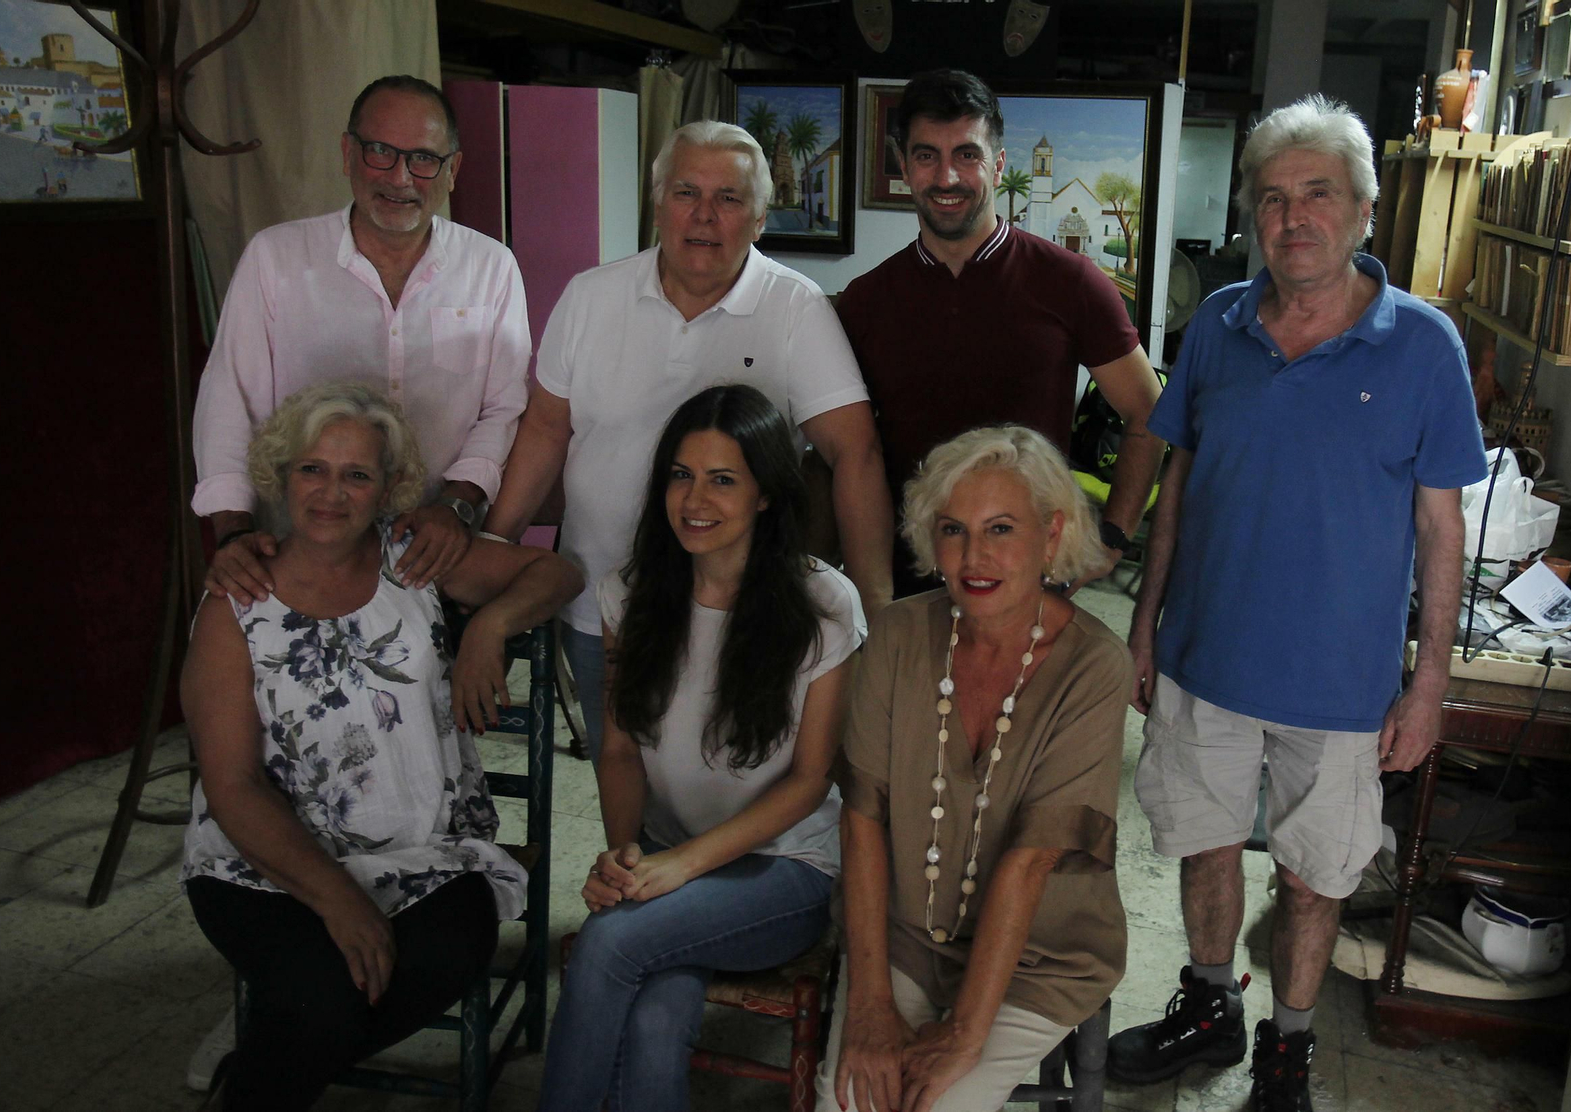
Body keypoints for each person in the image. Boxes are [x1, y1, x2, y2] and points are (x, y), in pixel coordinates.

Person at [1108, 95, 1487, 1112]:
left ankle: (1287, 1047)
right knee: (1199, 841)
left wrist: (1432, 679)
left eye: (1317, 193)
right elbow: (1181, 480)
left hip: (1341, 682)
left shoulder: (1424, 346)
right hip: (1203, 658)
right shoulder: (1221, 326)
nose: (1292, 217)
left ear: (1363, 210)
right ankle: (1207, 1003)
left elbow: (1440, 528)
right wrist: (1144, 621)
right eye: (1272, 198)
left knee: (1316, 876)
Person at [180, 381, 581, 1111]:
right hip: (260, 861)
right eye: (313, 470)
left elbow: (558, 571)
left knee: (440, 954)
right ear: (282, 475)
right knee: (322, 996)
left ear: (389, 488)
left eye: (356, 474)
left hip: (425, 851)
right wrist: (338, 899)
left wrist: (488, 627)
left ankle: (255, 1074)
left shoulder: (414, 559)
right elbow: (233, 785)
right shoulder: (235, 601)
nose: (331, 493)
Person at [484, 120, 893, 768]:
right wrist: (495, 546)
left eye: (729, 199)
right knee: (624, 778)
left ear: (759, 218)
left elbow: (856, 453)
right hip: (600, 601)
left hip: (740, 617)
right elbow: (544, 428)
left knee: (735, 788)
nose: (704, 216)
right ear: (658, 205)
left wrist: (877, 615)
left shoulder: (794, 306)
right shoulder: (590, 298)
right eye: (685, 193)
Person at [535, 384, 864, 1111]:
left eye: (723, 479)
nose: (694, 499)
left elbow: (810, 782)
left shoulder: (824, 604)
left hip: (784, 868)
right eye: (681, 475)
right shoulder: (632, 591)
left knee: (611, 945)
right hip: (665, 852)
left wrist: (675, 868)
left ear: (767, 495)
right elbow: (619, 751)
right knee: (654, 1021)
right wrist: (625, 856)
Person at [820, 425, 1131, 1112]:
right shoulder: (898, 636)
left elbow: (1031, 862)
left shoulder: (1094, 668)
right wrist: (871, 1009)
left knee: (933, 1106)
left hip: (1038, 961)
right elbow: (862, 823)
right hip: (905, 936)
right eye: (953, 530)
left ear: (1051, 536)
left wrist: (965, 1033)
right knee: (851, 1102)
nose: (974, 557)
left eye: (1001, 529)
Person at [193, 74, 532, 607]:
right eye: (380, 152)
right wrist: (233, 531)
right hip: (301, 549)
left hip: (433, 551)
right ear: (347, 153)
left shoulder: (491, 268)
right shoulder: (277, 257)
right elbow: (229, 398)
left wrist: (457, 505)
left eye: (423, 158)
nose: (400, 177)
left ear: (453, 170)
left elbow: (503, 407)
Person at [836, 69, 1164, 598]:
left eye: (967, 154)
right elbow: (847, 453)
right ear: (904, 166)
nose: (947, 177)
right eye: (926, 155)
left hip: (1032, 581)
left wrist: (1111, 537)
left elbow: (1149, 411)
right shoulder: (866, 301)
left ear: (999, 163)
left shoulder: (1072, 283)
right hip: (908, 583)